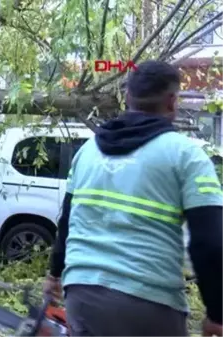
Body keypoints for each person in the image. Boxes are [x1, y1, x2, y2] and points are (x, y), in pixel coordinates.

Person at [43, 60, 223, 337]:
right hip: (149, 303)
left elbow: (66, 223)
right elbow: (209, 243)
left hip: (81, 294)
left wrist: (54, 275)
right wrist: (217, 313)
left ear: (127, 98)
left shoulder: (87, 152)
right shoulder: (187, 156)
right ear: (173, 101)